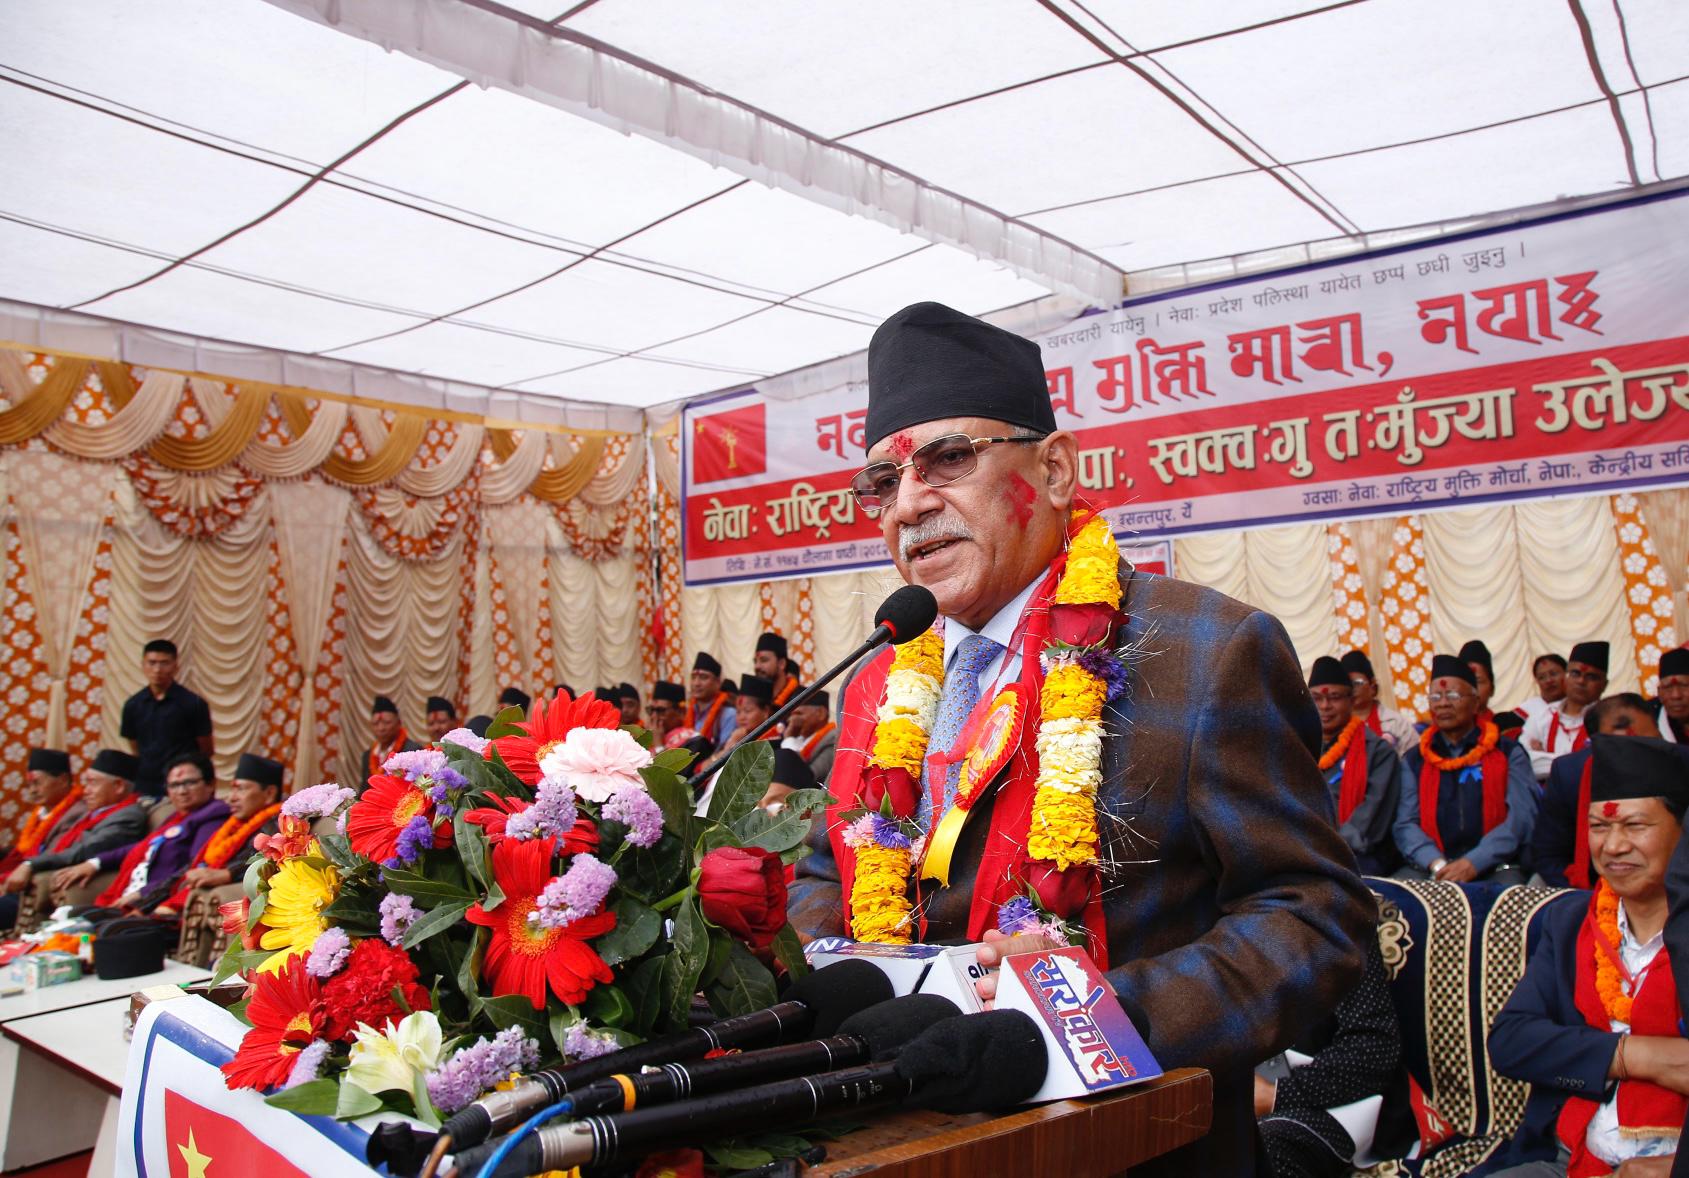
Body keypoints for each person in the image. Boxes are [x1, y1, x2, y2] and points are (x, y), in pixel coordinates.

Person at [787, 301, 1372, 1176]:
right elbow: (822, 875)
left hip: (1135, 1147)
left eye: (948, 458)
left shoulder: (1205, 651)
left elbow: (1314, 917)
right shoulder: (878, 680)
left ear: (1055, 469)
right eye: (882, 481)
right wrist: (840, 978)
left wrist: (1089, 1015)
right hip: (900, 1134)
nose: (907, 504)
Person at [1488, 734, 1689, 1177]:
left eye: (1634, 825)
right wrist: (1636, 1055)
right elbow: (1511, 1041)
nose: (1612, 846)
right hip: (1570, 1156)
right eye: (1599, 826)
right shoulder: (1570, 921)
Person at [1256, 935, 1403, 1178]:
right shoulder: (1205, 930)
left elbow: (1373, 1051)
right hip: (1234, 1095)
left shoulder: (1335, 927)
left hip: (1332, 1105)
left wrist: (1274, 1095)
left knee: (1260, 1153)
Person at [1393, 654, 1537, 885]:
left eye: (1453, 695)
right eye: (1435, 697)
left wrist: (1474, 862)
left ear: (1476, 702)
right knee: (1391, 896)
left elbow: (1521, 818)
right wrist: (1437, 864)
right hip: (1433, 866)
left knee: (1510, 898)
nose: (1443, 703)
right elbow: (1405, 823)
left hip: (1496, 864)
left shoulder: (1508, 752)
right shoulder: (1414, 759)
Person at [53, 753, 229, 909]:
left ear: (210, 784)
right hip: (132, 895)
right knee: (67, 921)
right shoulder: (176, 817)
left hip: (154, 901)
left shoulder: (212, 817)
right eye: (174, 785)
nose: (182, 791)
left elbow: (192, 867)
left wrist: (142, 894)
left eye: (189, 783)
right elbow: (142, 847)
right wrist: (95, 863)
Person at [0, 749, 149, 928]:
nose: (85, 791)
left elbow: (84, 851)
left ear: (118, 786)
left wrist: (30, 864)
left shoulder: (128, 816)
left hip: (59, 882)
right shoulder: (93, 813)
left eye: (92, 783)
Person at [1531, 694, 1660, 889]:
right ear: (1595, 745)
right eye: (1625, 746)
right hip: (1590, 883)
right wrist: (1590, 897)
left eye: (1651, 743)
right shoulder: (1570, 774)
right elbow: (1549, 854)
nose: (1641, 754)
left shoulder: (1676, 765)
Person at [155, 753, 285, 916]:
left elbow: (267, 860)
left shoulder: (276, 825)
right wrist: (142, 903)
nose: (231, 798)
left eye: (241, 789)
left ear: (269, 793)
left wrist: (229, 873)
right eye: (232, 789)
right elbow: (191, 868)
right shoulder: (233, 825)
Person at [1308, 657, 1402, 875]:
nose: (1325, 706)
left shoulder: (1378, 752)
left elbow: (1370, 821)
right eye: (1316, 698)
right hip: (1307, 849)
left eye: (1334, 697)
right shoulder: (1299, 748)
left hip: (1359, 855)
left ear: (1351, 701)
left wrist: (1324, 846)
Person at [119, 639, 214, 799]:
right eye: (152, 663)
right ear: (143, 665)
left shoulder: (193, 703)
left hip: (182, 786)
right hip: (145, 785)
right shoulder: (133, 705)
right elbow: (135, 748)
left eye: (164, 663)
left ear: (176, 666)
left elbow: (206, 750)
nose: (157, 669)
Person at [1521, 641, 1610, 781]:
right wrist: (1579, 761)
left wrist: (1546, 758)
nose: (1581, 681)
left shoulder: (1608, 719)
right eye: (1575, 674)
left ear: (1604, 685)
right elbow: (1524, 763)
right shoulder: (1541, 716)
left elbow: (1604, 765)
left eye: (1591, 677)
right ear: (1565, 678)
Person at [0, 749, 85, 875]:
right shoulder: (42, 812)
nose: (32, 791)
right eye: (29, 785)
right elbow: (24, 850)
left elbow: (51, 856)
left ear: (63, 780)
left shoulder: (76, 813)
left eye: (37, 783)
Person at [1341, 649, 1418, 756]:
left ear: (1372, 686)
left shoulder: (1397, 723)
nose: (1352, 689)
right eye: (1347, 684)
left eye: (1357, 683)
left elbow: (1414, 761)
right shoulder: (1335, 725)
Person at [360, 696, 421, 792]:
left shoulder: (412, 750)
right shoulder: (367, 756)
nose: (381, 728)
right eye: (376, 724)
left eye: (386, 723)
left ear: (399, 723)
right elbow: (364, 791)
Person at [1464, 639, 1525, 734]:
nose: (1473, 689)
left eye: (1479, 682)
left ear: (1492, 689)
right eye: (1467, 682)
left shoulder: (1506, 728)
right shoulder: (1444, 730)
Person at [782, 690, 837, 784]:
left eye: (798, 714)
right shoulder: (799, 740)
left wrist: (789, 739)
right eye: (790, 715)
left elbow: (808, 779)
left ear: (821, 713)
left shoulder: (833, 739)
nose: (791, 720)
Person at [685, 653, 738, 747]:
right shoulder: (689, 712)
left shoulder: (728, 714)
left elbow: (726, 753)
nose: (696, 683)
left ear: (718, 682)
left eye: (703, 677)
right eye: (693, 677)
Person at [752, 633, 802, 711]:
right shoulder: (755, 700)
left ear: (781, 664)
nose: (757, 666)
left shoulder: (800, 699)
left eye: (764, 660)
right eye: (755, 661)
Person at [1518, 654, 1569, 726]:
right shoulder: (1525, 712)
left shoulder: (1580, 706)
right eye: (1541, 677)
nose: (1549, 680)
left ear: (1567, 674)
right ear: (1536, 681)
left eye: (1553, 674)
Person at [1656, 647, 1689, 745]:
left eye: (1684, 686)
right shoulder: (1649, 719)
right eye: (1667, 687)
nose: (1676, 695)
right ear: (1659, 692)